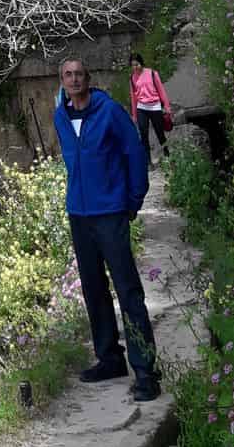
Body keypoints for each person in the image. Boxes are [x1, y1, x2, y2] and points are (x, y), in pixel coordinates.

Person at [54, 57, 160, 400]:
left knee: (128, 290)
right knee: (93, 289)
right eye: (68, 75)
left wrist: (133, 198)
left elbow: (135, 151)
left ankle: (145, 371)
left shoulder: (110, 112)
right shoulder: (60, 116)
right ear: (62, 81)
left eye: (79, 74)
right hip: (79, 215)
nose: (74, 80)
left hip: (111, 212)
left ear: (88, 77)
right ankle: (109, 358)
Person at [129, 53, 172, 165]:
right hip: (141, 108)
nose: (135, 67)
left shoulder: (152, 74)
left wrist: (166, 106)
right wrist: (134, 115)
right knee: (143, 134)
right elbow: (133, 97)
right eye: (133, 65)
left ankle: (167, 153)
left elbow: (161, 90)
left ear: (141, 63)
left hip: (154, 106)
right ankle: (148, 161)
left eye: (137, 64)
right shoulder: (132, 78)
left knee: (160, 132)